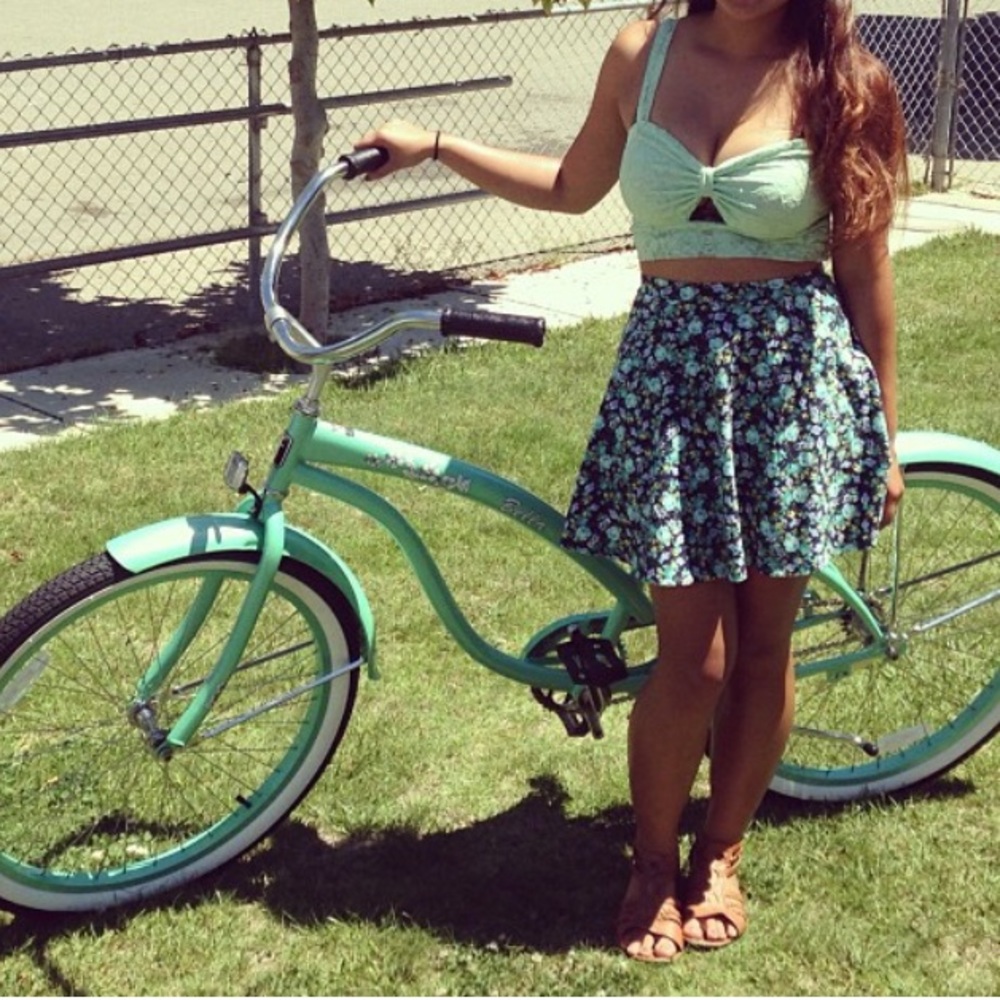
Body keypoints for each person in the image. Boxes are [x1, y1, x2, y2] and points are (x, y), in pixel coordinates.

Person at [357, 0, 908, 964]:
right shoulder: (643, 53)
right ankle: (652, 862)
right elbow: (571, 186)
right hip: (671, 380)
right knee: (696, 661)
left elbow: (865, 272)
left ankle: (721, 852)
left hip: (789, 386)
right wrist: (439, 146)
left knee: (763, 647)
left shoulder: (843, 79)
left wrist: (885, 436)